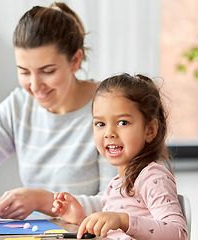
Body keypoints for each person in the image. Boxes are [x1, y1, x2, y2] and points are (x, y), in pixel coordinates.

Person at [0, 2, 117, 219]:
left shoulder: (110, 108)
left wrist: (42, 200)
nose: (35, 86)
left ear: (75, 61)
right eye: (24, 72)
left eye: (47, 71)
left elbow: (116, 204)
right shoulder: (19, 107)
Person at [52, 73, 188, 240]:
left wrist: (123, 220)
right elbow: (114, 234)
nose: (109, 133)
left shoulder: (153, 177)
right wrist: (83, 221)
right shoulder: (116, 184)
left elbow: (178, 233)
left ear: (150, 130)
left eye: (123, 122)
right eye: (100, 124)